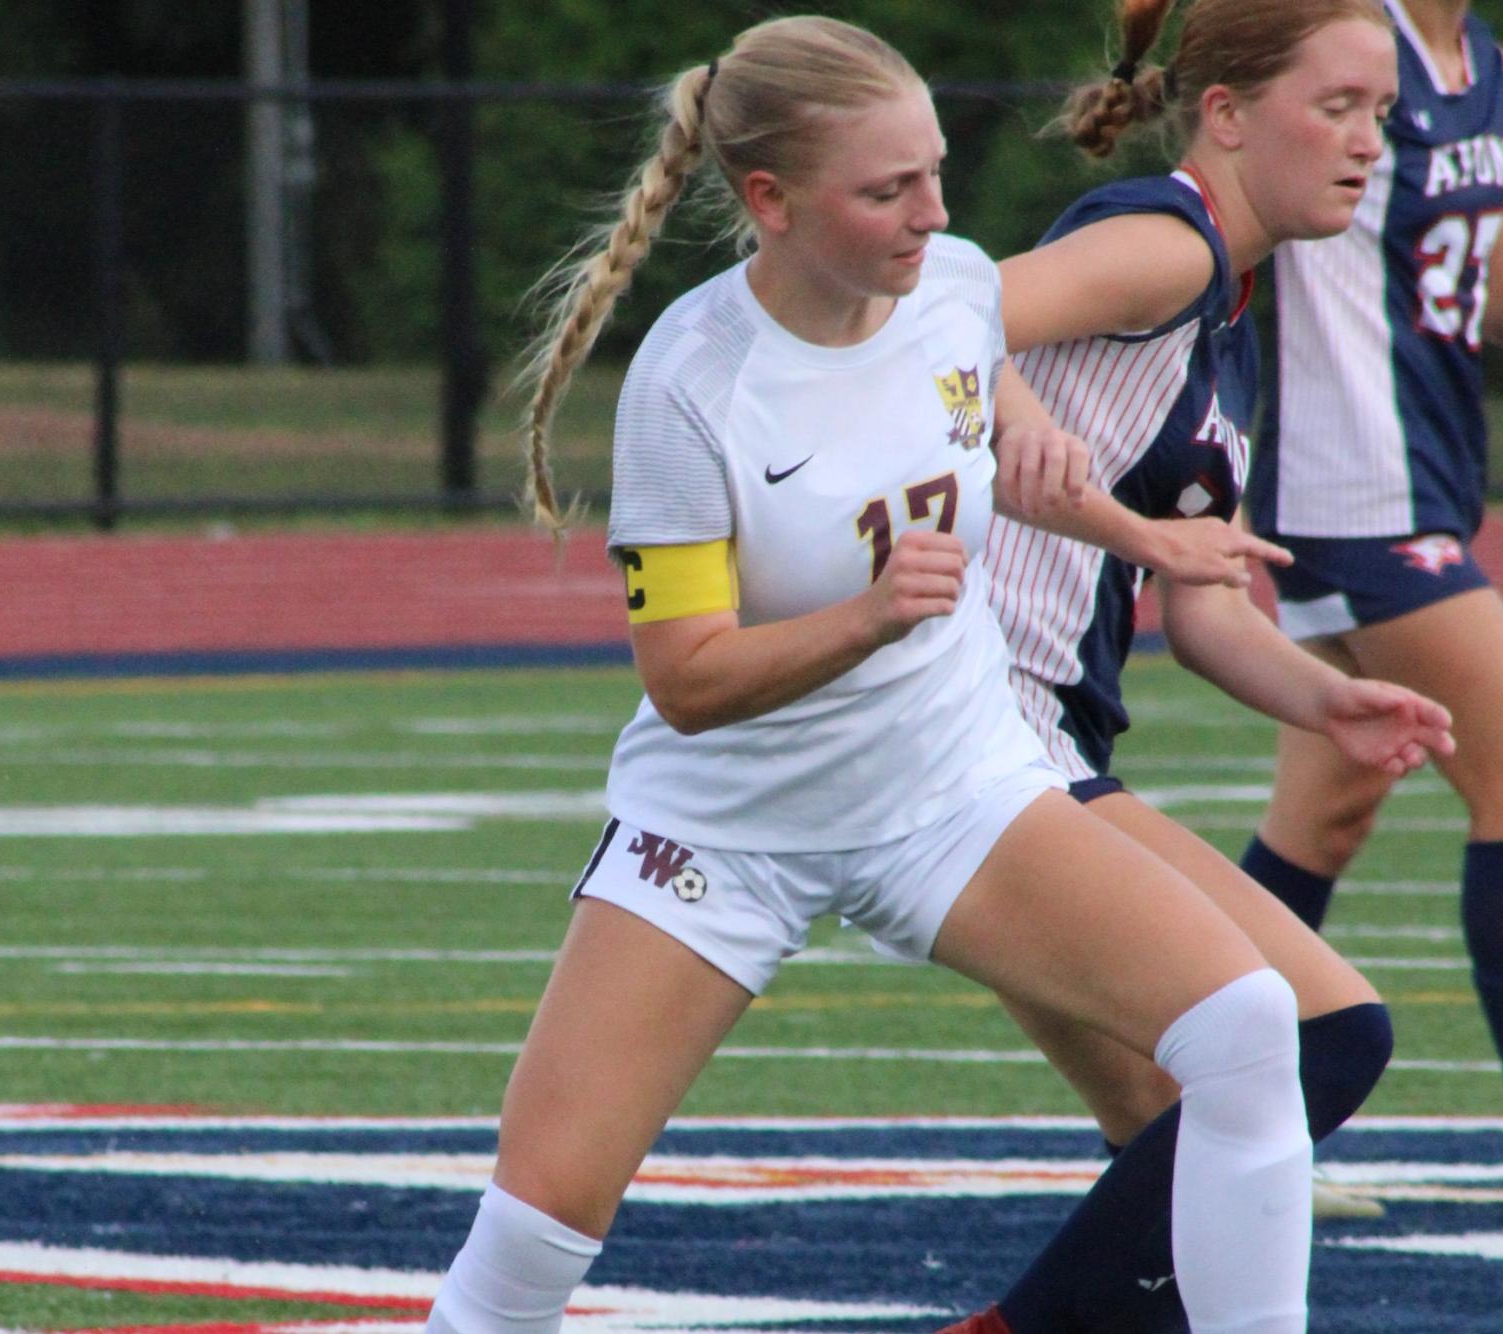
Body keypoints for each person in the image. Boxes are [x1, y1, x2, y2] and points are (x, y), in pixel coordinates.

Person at [426, 17, 1322, 1334]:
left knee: (1245, 1025)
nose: (932, 213)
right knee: (535, 1227)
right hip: (729, 828)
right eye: (887, 189)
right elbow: (686, 678)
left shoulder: (953, 289)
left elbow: (1001, 437)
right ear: (770, 202)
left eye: (935, 172)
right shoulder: (691, 380)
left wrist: (1134, 531)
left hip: (951, 786)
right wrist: (866, 616)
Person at [921, 5, 1452, 1328]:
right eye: (1334, 107)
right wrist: (1021, 407)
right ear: (1224, 115)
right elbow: (937, 301)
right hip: (983, 733)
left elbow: (1200, 601)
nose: (1364, 144)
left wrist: (1325, 696)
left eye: (1379, 116)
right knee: (1326, 1036)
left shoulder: (1227, 310)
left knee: (1177, 1157)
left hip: (1032, 740)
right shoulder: (1165, 247)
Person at [1236, 0, 1503, 1214]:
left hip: (1423, 477)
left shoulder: (1494, 68)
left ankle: (1198, 1118)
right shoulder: (1342, 43)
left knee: (1324, 816)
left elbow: (1496, 288)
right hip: (1352, 488)